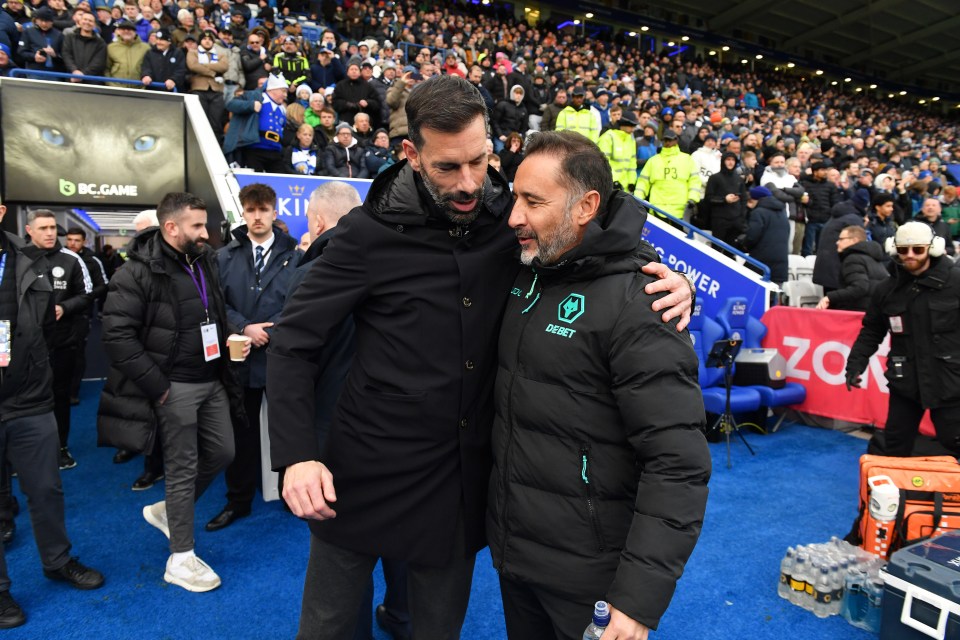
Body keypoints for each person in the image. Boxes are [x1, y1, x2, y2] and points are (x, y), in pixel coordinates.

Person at [265, 75, 693, 639]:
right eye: (448, 168)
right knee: (328, 629)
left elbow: (593, 232)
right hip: (359, 472)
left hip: (457, 486)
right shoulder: (366, 235)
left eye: (479, 160)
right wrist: (297, 454)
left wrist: (667, 278)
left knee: (436, 630)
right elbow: (294, 341)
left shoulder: (509, 218)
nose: (469, 183)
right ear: (411, 155)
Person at [488, 129, 710, 640]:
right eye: (514, 198)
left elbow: (677, 464)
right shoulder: (528, 267)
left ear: (587, 205)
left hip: (592, 577)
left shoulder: (642, 302)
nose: (514, 216)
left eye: (532, 201)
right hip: (516, 557)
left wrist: (636, 600)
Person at [97, 192, 247, 593]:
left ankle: (168, 511)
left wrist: (231, 336)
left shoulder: (204, 260)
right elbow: (115, 334)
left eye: (205, 224)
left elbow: (212, 311)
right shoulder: (137, 271)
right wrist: (159, 388)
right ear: (170, 227)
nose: (206, 232)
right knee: (182, 467)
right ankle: (180, 558)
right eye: (197, 226)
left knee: (223, 452)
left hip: (212, 376)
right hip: (172, 385)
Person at [0, 199, 105, 630]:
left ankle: (57, 560)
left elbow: (46, 319)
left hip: (29, 397)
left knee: (46, 489)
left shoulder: (25, 259)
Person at [207, 183, 298, 532]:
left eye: (263, 210)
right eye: (251, 210)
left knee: (287, 431)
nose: (257, 217)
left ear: (275, 212)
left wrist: (269, 332)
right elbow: (217, 305)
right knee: (240, 435)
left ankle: (292, 494)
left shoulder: (296, 256)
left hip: (280, 358)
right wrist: (245, 327)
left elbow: (300, 303)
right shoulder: (223, 257)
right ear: (243, 214)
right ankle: (238, 500)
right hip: (240, 360)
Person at [846, 221, 960, 457]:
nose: (909, 255)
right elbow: (871, 331)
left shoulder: (956, 282)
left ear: (932, 248)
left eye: (917, 249)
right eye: (903, 249)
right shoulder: (885, 290)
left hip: (951, 382)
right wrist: (856, 363)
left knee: (954, 441)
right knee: (895, 445)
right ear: (893, 249)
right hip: (906, 382)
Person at [24, 211, 91, 470]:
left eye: (53, 227)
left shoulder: (71, 259)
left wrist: (65, 307)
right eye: (43, 228)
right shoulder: (17, 259)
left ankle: (60, 447)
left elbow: (87, 294)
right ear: (30, 230)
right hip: (26, 343)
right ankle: (26, 451)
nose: (50, 233)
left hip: (63, 341)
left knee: (59, 395)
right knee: (26, 398)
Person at [63, 227, 108, 405]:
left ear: (84, 242)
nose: (72, 243)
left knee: (77, 353)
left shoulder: (92, 261)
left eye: (77, 240)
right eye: (70, 240)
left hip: (81, 315)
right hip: (58, 315)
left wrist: (86, 297)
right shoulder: (60, 258)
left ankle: (73, 391)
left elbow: (103, 284)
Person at [224, 74, 288, 172]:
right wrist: (250, 105)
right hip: (254, 148)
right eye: (283, 91)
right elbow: (231, 104)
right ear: (272, 89)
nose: (285, 95)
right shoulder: (255, 96)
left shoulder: (283, 109)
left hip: (275, 151)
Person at [815, 226, 888, 311]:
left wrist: (829, 297)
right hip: (874, 311)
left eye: (841, 239)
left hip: (857, 313)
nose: (837, 242)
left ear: (854, 240)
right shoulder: (874, 259)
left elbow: (859, 288)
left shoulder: (853, 259)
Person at [636, 129, 701, 220]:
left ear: (676, 140)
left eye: (670, 140)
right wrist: (638, 198)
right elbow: (643, 182)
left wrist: (693, 198)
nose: (667, 142)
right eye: (665, 140)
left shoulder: (687, 159)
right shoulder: (653, 160)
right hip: (657, 207)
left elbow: (694, 181)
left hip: (680, 208)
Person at [741, 186, 789, 285]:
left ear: (755, 199)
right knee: (773, 298)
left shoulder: (758, 213)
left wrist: (744, 244)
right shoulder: (782, 213)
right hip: (780, 264)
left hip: (761, 263)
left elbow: (752, 237)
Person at [704, 151, 747, 247]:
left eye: (733, 160)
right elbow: (708, 198)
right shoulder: (714, 178)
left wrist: (741, 218)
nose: (730, 162)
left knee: (731, 252)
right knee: (717, 249)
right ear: (723, 161)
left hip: (735, 221)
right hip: (719, 220)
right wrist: (724, 199)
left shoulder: (739, 179)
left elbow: (744, 199)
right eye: (728, 160)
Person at [597, 109, 639, 192]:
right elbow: (603, 162)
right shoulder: (608, 137)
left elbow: (632, 164)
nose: (633, 130)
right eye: (631, 126)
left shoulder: (630, 140)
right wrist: (614, 180)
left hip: (625, 188)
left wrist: (632, 182)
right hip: (610, 186)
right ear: (624, 124)